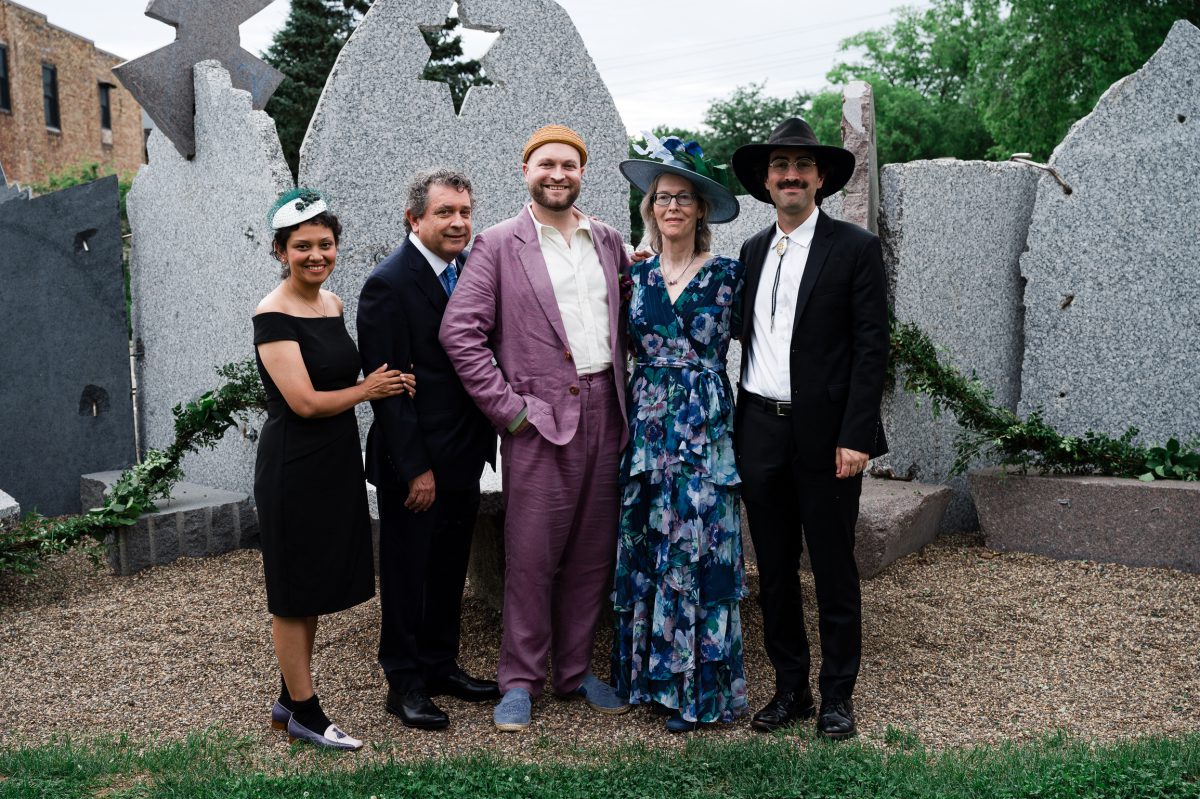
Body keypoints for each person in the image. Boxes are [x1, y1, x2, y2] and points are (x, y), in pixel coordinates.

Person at [439, 125, 632, 731]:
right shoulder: (498, 244)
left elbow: (631, 310)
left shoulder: (608, 240)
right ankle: (520, 680)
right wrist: (510, 410)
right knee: (531, 555)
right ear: (526, 171)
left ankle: (574, 670)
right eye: (546, 163)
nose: (557, 174)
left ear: (582, 172)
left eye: (569, 165)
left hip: (609, 411)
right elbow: (460, 332)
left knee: (593, 553)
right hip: (539, 421)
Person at [730, 118, 889, 739]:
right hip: (759, 429)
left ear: (820, 178)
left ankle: (837, 696)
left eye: (802, 166)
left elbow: (871, 349)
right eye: (780, 166)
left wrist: (857, 435)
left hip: (827, 437)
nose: (790, 175)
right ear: (766, 181)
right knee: (772, 569)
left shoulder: (854, 248)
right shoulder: (751, 251)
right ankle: (790, 687)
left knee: (832, 567)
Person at [253, 188, 414, 750]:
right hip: (293, 466)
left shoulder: (333, 304)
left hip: (334, 462)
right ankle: (306, 713)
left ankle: (287, 697)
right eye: (302, 246)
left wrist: (391, 381)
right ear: (281, 251)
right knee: (292, 592)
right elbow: (304, 402)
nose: (316, 255)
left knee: (313, 584)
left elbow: (347, 375)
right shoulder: (273, 315)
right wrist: (369, 389)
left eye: (325, 244)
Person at [608, 136, 748, 733]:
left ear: (701, 209)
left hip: (704, 430)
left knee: (698, 546)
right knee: (649, 543)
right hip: (648, 428)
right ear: (650, 208)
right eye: (662, 198)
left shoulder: (729, 275)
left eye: (683, 198)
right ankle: (646, 680)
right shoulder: (633, 277)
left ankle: (697, 691)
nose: (671, 207)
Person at [356, 170, 499, 730]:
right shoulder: (388, 284)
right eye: (445, 212)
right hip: (414, 462)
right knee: (407, 574)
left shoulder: (467, 272)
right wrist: (416, 469)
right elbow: (390, 392)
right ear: (414, 219)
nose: (458, 222)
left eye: (464, 211)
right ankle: (404, 682)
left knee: (447, 570)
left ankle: (441, 666)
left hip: (463, 454)